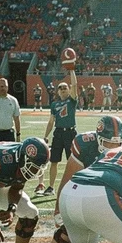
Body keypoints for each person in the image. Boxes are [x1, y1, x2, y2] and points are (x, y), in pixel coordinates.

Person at [33, 115, 122, 243]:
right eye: (108, 142)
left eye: (117, 143)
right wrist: (59, 210)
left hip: (116, 192)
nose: (113, 147)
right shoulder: (84, 144)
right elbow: (67, 180)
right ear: (98, 138)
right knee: (68, 230)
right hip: (87, 192)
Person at [41, 67, 79, 196]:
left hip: (70, 133)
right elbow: (51, 122)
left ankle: (74, 187)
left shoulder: (72, 101)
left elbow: (75, 84)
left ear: (68, 90)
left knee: (72, 161)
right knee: (54, 161)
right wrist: (45, 136)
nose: (63, 89)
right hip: (58, 133)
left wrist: (72, 70)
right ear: (57, 91)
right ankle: (51, 187)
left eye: (65, 87)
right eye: (60, 88)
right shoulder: (54, 105)